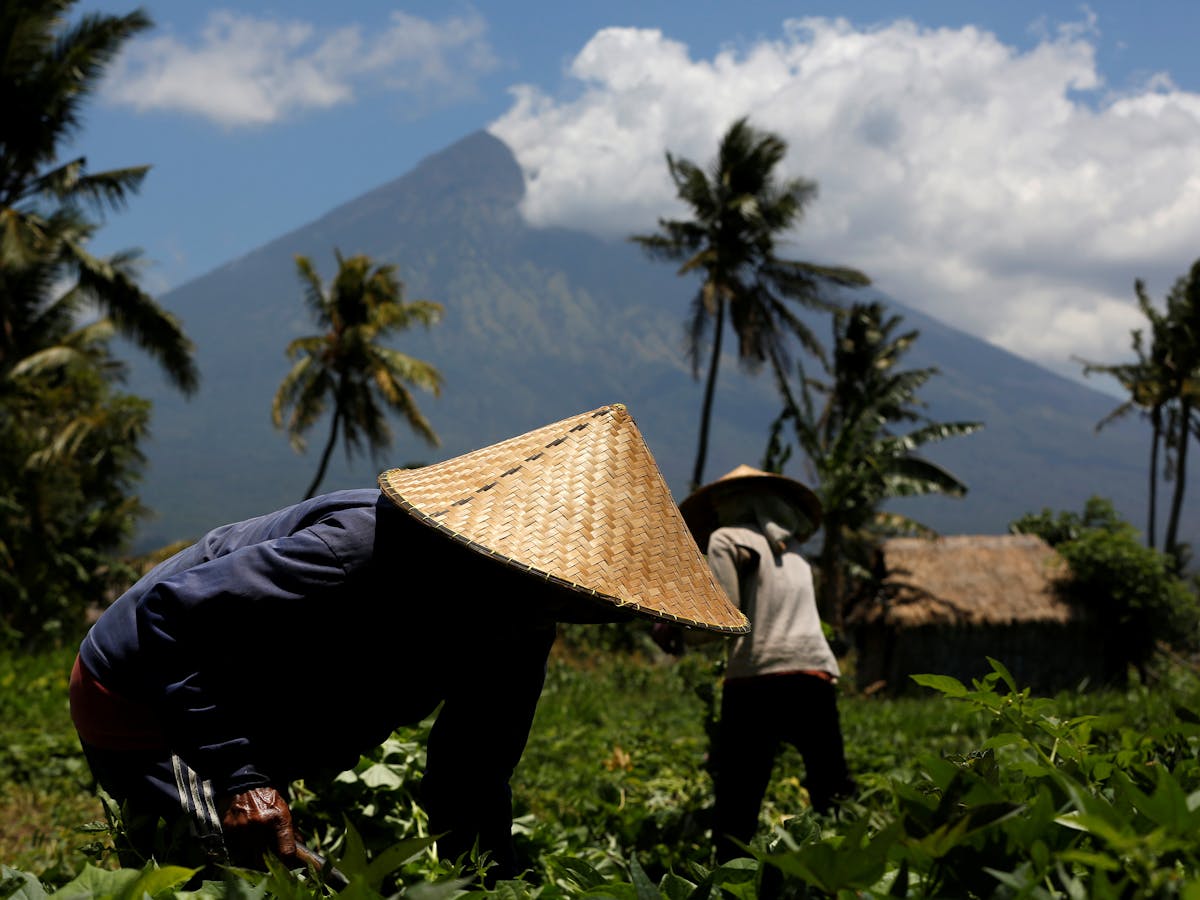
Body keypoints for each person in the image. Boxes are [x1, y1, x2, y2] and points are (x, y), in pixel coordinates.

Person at [69, 404, 748, 881]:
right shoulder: (362, 550)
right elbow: (169, 618)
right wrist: (242, 779)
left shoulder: (525, 623)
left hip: (257, 712)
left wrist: (490, 885)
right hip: (142, 699)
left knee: (277, 871)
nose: (580, 610)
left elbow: (471, 773)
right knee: (218, 877)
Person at [670, 465, 855, 861]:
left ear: (737, 502)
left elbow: (725, 619)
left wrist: (677, 632)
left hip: (756, 679)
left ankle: (730, 875)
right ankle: (844, 868)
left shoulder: (726, 539)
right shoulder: (797, 553)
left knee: (738, 798)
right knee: (831, 787)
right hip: (814, 674)